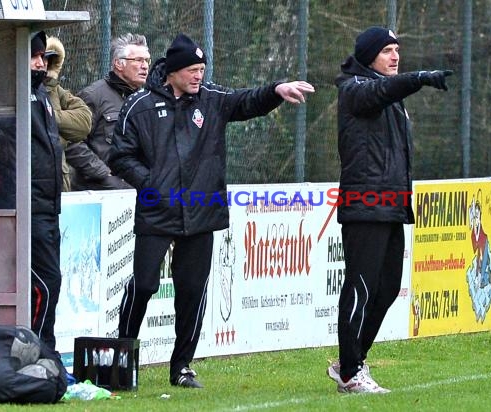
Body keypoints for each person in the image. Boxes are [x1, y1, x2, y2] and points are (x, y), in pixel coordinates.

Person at [109, 32, 314, 389]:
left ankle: (182, 366)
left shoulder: (213, 99)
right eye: (191, 69)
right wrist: (152, 183)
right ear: (172, 71)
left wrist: (277, 89)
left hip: (202, 214)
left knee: (191, 290)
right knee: (143, 285)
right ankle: (123, 357)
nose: (198, 75)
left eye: (202, 69)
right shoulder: (139, 105)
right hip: (157, 212)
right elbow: (120, 155)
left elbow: (247, 101)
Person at [328, 26, 452, 394]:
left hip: (391, 205)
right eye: (386, 50)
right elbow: (379, 92)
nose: (395, 56)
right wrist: (420, 78)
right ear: (368, 56)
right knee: (362, 287)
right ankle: (351, 371)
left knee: (386, 289)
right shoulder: (354, 89)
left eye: (397, 49)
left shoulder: (390, 96)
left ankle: (350, 363)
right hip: (365, 204)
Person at [65, 33, 150, 190]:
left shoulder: (145, 100)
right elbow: (71, 142)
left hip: (138, 190)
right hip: (99, 193)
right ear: (118, 64)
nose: (145, 66)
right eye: (138, 60)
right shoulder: (93, 96)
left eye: (146, 60)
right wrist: (102, 173)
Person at [29, 31, 64, 352]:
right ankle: (38, 353)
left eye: (44, 58)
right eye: (35, 57)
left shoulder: (41, 95)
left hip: (49, 208)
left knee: (50, 282)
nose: (41, 64)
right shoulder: (13, 96)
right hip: (27, 210)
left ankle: (45, 353)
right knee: (46, 283)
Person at [43, 36, 92, 191]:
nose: (42, 63)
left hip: (58, 183)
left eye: (47, 59)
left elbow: (83, 122)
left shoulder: (55, 90)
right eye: (36, 57)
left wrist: (47, 115)